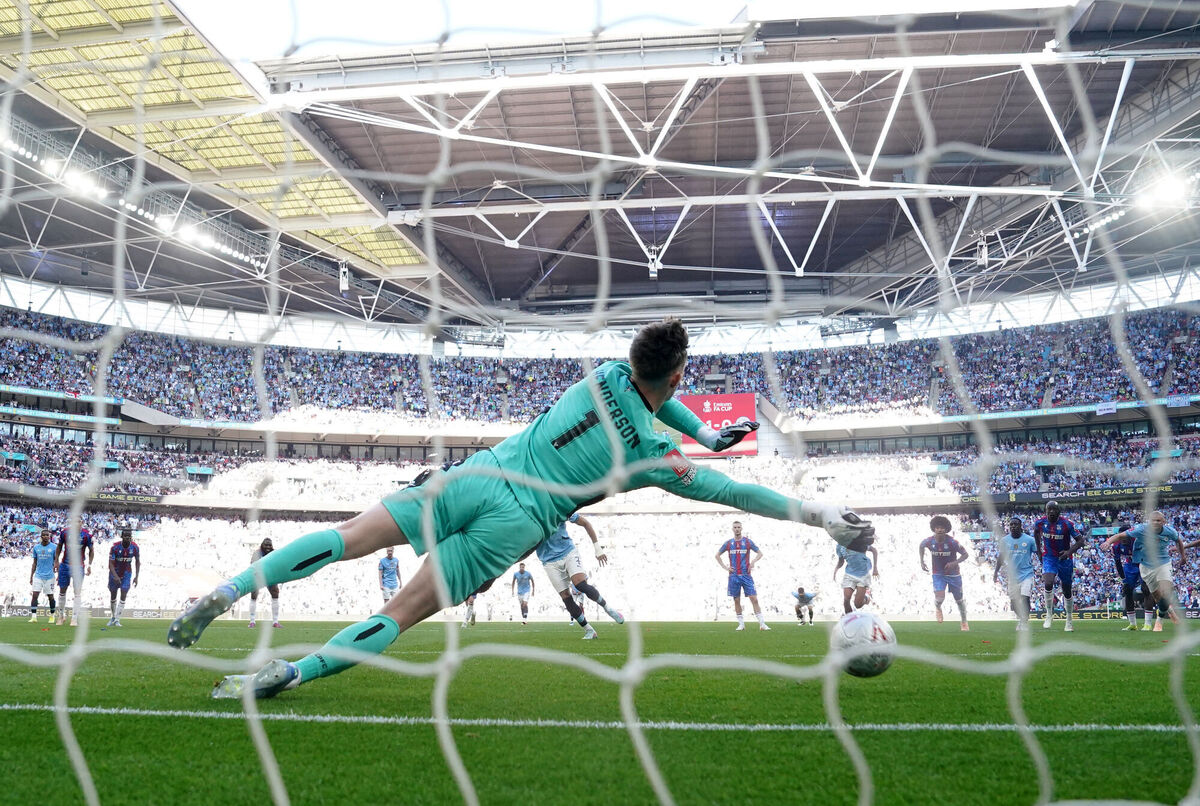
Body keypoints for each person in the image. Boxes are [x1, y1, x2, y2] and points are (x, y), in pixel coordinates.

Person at [170, 318, 874, 700]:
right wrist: (820, 513)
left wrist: (704, 431)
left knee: (349, 535)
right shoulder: (657, 456)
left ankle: (229, 590)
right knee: (401, 611)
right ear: (680, 376)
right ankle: (295, 673)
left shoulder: (605, 375)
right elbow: (738, 492)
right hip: (518, 525)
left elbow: (653, 391)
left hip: (478, 475)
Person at [536, 513, 623, 640]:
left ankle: (608, 609)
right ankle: (589, 630)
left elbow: (586, 523)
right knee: (566, 597)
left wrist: (598, 549)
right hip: (548, 561)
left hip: (568, 552)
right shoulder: (530, 517)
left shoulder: (559, 509)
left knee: (580, 584)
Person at [1102, 511, 1187, 631]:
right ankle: (1137, 622)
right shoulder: (1134, 534)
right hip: (1141, 564)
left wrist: (1183, 556)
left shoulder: (1168, 532)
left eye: (1158, 520)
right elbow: (1118, 558)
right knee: (1139, 593)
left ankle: (1153, 622)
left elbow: (1178, 541)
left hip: (1161, 562)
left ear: (1164, 522)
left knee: (1154, 590)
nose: (1156, 523)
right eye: (1153, 520)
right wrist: (1108, 542)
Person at [1033, 501, 1084, 632]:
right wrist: (1039, 551)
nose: (1051, 512)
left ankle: (1069, 619)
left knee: (1066, 590)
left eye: (1054, 509)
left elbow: (1081, 541)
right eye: (1049, 509)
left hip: (1064, 559)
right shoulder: (1040, 523)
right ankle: (1049, 613)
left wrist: (1069, 552)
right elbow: (1036, 533)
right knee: (1048, 582)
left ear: (1058, 511)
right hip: (1049, 557)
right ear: (1045, 511)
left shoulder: (1067, 524)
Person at [919, 515, 970, 631]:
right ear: (934, 528)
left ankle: (964, 621)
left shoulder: (952, 542)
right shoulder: (929, 541)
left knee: (959, 600)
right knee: (939, 598)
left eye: (942, 527)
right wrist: (922, 561)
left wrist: (954, 563)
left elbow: (965, 554)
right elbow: (921, 546)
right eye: (937, 527)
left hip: (953, 574)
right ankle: (938, 608)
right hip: (938, 573)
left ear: (946, 529)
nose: (940, 529)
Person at [717, 520, 769, 631]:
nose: (737, 529)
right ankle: (741, 624)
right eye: (735, 527)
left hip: (746, 575)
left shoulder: (748, 542)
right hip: (734, 576)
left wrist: (753, 561)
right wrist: (726, 568)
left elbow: (760, 553)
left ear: (741, 528)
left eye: (738, 527)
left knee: (754, 599)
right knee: (736, 600)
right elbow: (717, 555)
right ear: (732, 529)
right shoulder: (728, 543)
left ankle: (762, 624)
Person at [1107, 521, 1153, 631]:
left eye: (1124, 536)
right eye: (1120, 537)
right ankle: (1132, 624)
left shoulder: (1139, 540)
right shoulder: (1116, 546)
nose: (1122, 539)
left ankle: (1147, 623)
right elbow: (1118, 563)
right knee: (1127, 590)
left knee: (1145, 589)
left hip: (1143, 563)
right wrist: (1123, 579)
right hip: (1130, 565)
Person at [994, 517, 1037, 631]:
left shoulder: (1029, 540)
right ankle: (1022, 619)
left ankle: (1024, 622)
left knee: (1025, 598)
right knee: (1013, 604)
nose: (1013, 526)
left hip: (1027, 574)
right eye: (1011, 524)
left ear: (1020, 526)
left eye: (1015, 524)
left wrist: (1046, 567)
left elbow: (1039, 553)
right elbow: (1001, 557)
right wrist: (996, 572)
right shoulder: (1005, 540)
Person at [55, 519, 94, 626]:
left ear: (82, 523)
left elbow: (91, 550)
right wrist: (56, 561)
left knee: (77, 592)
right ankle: (61, 616)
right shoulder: (65, 532)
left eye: (79, 521)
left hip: (78, 566)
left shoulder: (86, 535)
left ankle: (74, 618)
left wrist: (89, 565)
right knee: (62, 590)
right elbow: (59, 546)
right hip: (65, 565)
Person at [107, 527, 140, 627]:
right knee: (113, 594)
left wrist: (136, 576)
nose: (127, 538)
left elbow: (138, 562)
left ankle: (117, 619)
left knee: (124, 592)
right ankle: (113, 617)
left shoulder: (135, 547)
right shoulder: (115, 547)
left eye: (129, 536)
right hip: (115, 572)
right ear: (122, 536)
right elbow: (110, 564)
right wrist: (115, 576)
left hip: (127, 573)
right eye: (125, 536)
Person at [834, 542, 878, 614]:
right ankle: (849, 618)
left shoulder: (859, 541)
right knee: (846, 599)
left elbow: (874, 550)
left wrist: (875, 568)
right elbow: (841, 561)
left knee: (857, 605)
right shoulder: (839, 546)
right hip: (849, 574)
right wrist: (835, 570)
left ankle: (866, 598)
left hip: (863, 574)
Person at [248, 538, 282, 628]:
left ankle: (275, 621)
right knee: (254, 594)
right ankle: (252, 621)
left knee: (275, 593)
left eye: (269, 545)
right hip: (258, 575)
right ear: (262, 545)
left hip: (269, 575)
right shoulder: (257, 553)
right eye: (266, 545)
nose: (268, 547)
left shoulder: (274, 553)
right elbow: (253, 564)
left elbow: (278, 564)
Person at [29, 529, 57, 624]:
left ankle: (52, 616)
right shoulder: (36, 547)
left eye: (47, 535)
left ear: (49, 536)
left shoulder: (54, 547)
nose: (45, 536)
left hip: (49, 576)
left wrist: (56, 569)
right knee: (35, 595)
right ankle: (34, 617)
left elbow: (56, 561)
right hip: (38, 575)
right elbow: (34, 563)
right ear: (41, 536)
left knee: (50, 596)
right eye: (44, 535)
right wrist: (31, 576)